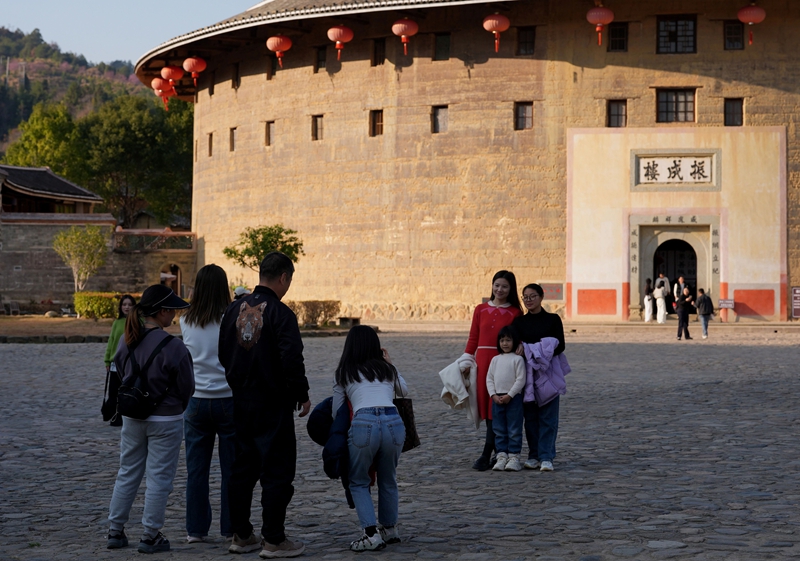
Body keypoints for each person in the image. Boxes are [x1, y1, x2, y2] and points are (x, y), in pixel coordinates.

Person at [218, 252, 311, 559]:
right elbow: (290, 358)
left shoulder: (233, 310)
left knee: (242, 468)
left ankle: (242, 534)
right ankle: (273, 538)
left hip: (240, 400)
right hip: (273, 403)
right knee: (277, 470)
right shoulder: (281, 315)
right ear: (284, 277)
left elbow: (223, 352)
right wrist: (301, 393)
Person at [106, 285, 194, 554]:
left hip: (133, 416)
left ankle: (115, 529)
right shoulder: (174, 346)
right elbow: (187, 386)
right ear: (163, 311)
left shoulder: (127, 339)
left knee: (127, 472)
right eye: (174, 310)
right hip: (165, 419)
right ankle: (150, 534)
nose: (176, 315)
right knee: (159, 478)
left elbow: (120, 370)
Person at [332, 325, 408, 551]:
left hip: (364, 423)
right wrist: (391, 363)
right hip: (393, 422)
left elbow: (337, 411)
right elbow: (403, 391)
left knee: (358, 480)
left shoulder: (344, 372)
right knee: (388, 478)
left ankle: (370, 534)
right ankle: (390, 529)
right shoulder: (386, 370)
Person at [180, 264, 235, 544]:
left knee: (196, 470)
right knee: (232, 469)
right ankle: (231, 528)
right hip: (227, 399)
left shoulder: (186, 320)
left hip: (196, 400)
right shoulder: (232, 318)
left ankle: (196, 530)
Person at [464, 271, 524, 471]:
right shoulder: (480, 309)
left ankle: (487, 453)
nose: (500, 290)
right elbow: (473, 337)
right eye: (496, 285)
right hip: (482, 361)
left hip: (503, 363)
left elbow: (517, 339)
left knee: (495, 409)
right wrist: (466, 360)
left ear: (511, 289)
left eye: (504, 286)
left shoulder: (515, 312)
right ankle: (497, 452)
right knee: (486, 407)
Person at [511, 283, 565, 472]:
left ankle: (546, 456)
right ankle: (534, 455)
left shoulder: (553, 319)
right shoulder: (519, 323)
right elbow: (515, 346)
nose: (529, 300)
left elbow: (560, 345)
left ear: (542, 297)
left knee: (549, 417)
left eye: (532, 296)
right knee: (531, 417)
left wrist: (534, 351)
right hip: (527, 375)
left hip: (548, 373)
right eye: (525, 297)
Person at [486, 326, 526, 472]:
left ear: (514, 342)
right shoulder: (495, 360)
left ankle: (514, 457)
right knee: (499, 429)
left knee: (514, 428)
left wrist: (510, 395)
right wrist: (493, 395)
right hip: (497, 399)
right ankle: (501, 456)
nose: (505, 343)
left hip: (513, 399)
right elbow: (489, 378)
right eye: (502, 340)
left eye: (508, 340)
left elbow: (521, 379)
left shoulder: (518, 360)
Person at [103, 295, 136, 427]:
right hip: (115, 364)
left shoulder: (137, 322)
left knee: (127, 391)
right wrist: (107, 360)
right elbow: (111, 342)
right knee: (113, 391)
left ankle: (125, 415)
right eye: (124, 304)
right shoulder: (117, 323)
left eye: (129, 304)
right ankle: (115, 415)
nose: (126, 307)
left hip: (129, 364)